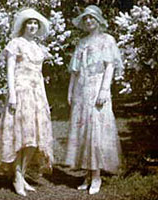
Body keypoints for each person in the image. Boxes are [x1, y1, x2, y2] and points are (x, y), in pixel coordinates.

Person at [0, 8, 53, 197]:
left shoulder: (38, 47)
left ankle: (22, 174)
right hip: (20, 92)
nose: (33, 26)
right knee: (21, 136)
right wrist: (12, 94)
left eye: (36, 23)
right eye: (30, 23)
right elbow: (10, 70)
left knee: (34, 140)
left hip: (37, 94)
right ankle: (17, 177)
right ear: (24, 26)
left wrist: (43, 96)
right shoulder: (15, 44)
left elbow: (40, 73)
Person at [65, 5, 123, 195]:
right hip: (82, 88)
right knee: (83, 130)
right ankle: (88, 174)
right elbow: (74, 71)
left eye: (92, 18)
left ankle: (97, 175)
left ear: (99, 20)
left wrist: (104, 90)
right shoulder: (81, 42)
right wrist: (71, 91)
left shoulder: (107, 40)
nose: (89, 22)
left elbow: (109, 67)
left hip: (98, 87)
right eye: (86, 19)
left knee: (96, 130)